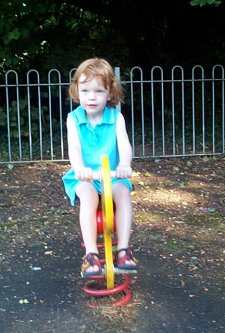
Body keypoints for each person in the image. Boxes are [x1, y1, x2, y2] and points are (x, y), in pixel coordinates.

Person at [62, 57, 137, 277]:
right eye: (85, 91)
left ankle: (123, 250)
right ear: (77, 91)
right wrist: (80, 168)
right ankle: (91, 255)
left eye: (98, 91)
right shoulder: (73, 119)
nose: (91, 97)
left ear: (110, 93)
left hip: (112, 174)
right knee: (88, 197)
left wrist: (124, 164)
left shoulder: (116, 117)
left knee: (123, 193)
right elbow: (74, 149)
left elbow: (124, 145)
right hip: (85, 175)